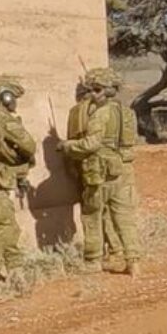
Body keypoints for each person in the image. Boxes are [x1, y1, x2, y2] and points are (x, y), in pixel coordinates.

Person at [60, 68, 142, 276]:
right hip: (123, 169)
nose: (93, 94)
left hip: (101, 171)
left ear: (107, 91)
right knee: (124, 216)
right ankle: (133, 261)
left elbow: (91, 144)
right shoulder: (127, 112)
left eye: (97, 90)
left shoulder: (100, 114)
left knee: (92, 214)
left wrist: (67, 146)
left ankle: (93, 260)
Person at [0, 76, 36, 287]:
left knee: (8, 225)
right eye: (13, 97)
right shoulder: (3, 119)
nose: (15, 102)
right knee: (2, 223)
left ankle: (15, 270)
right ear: (6, 96)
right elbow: (29, 145)